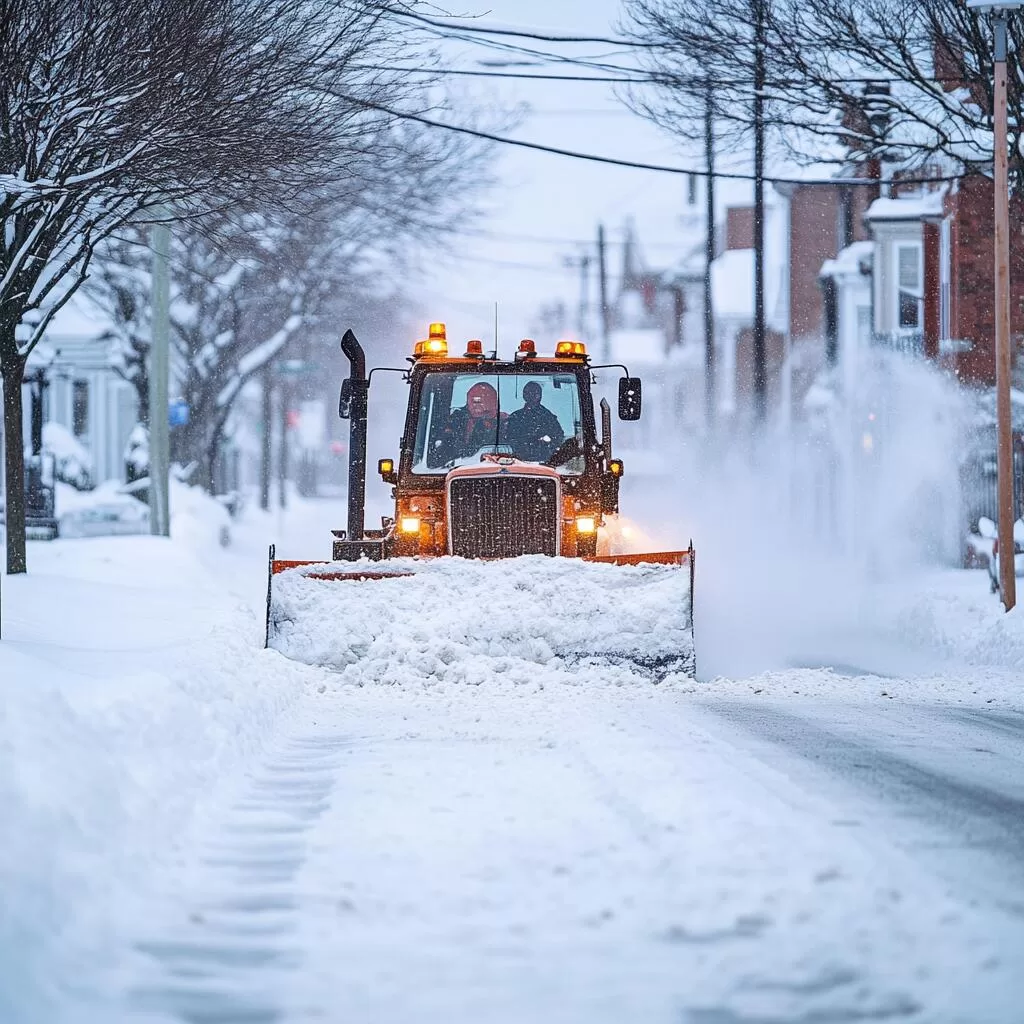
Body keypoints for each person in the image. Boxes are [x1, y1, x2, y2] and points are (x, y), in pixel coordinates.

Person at [440, 381, 507, 462]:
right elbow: (442, 454)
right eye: (475, 402)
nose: (477, 406)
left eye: (487, 412)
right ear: (468, 403)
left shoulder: (507, 424)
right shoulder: (456, 422)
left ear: (495, 405)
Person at [505, 381, 565, 463]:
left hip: (544, 462)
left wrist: (545, 445)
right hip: (517, 462)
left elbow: (558, 436)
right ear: (524, 395)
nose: (531, 396)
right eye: (528, 393)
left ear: (540, 395)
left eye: (535, 393)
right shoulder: (516, 417)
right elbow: (508, 438)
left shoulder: (548, 417)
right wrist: (522, 446)